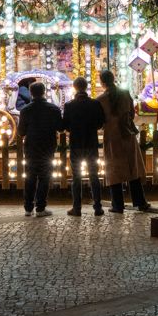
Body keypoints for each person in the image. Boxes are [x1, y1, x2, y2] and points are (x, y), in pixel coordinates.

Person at [97, 69, 152, 213]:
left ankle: (118, 204)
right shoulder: (125, 94)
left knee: (114, 169)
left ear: (102, 82)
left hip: (112, 136)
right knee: (132, 168)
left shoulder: (101, 100)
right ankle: (141, 202)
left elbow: (100, 121)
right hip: (127, 133)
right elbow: (132, 114)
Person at [16, 81, 62, 217]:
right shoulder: (53, 109)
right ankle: (41, 207)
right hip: (47, 146)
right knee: (44, 177)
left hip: (31, 147)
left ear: (31, 93)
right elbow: (60, 127)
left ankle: (28, 208)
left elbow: (21, 132)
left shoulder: (25, 110)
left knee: (30, 177)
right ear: (44, 92)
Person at [63, 76, 106, 216]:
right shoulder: (94, 104)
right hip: (91, 143)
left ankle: (77, 207)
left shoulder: (69, 105)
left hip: (76, 144)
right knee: (94, 175)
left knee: (76, 177)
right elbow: (101, 122)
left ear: (75, 88)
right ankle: (98, 207)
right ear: (86, 87)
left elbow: (66, 125)